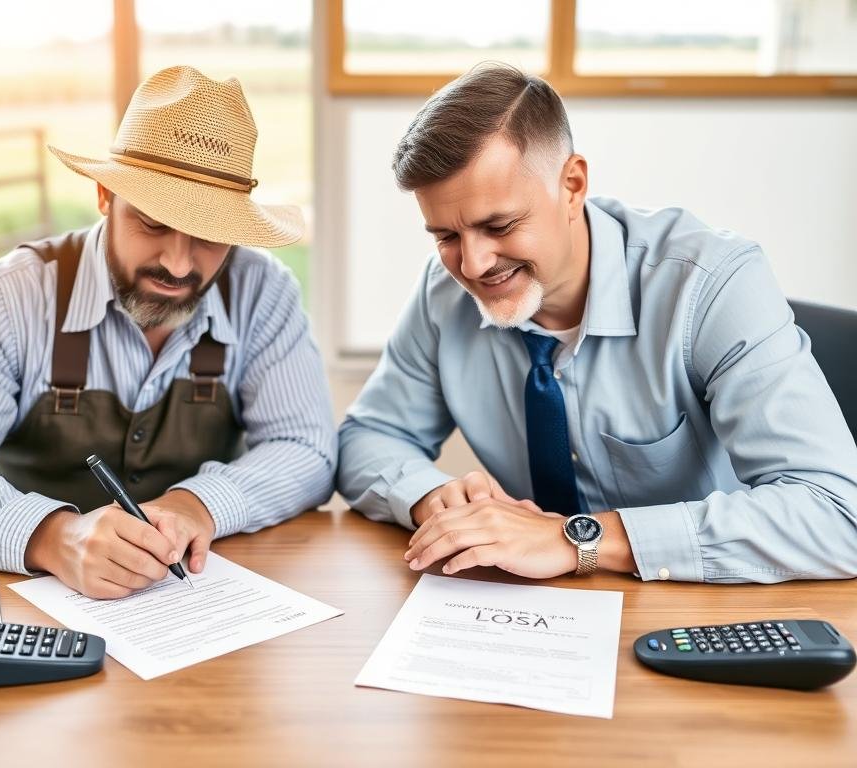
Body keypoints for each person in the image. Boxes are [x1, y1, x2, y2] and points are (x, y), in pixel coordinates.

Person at [337, 63, 857, 584]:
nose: (472, 265)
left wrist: (577, 539)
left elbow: (838, 514)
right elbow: (366, 438)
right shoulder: (442, 291)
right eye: (445, 236)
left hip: (704, 607)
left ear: (572, 185)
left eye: (498, 226)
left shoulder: (711, 283)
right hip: (535, 612)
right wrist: (429, 495)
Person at [0, 66, 336, 598]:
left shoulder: (263, 291)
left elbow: (306, 449)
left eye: (208, 234)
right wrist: (49, 535)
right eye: (153, 222)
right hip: (29, 607)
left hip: (189, 604)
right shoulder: (9, 295)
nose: (179, 265)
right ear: (105, 196)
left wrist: (197, 503)